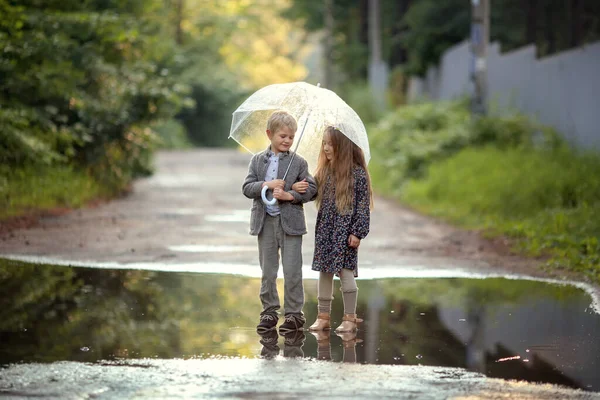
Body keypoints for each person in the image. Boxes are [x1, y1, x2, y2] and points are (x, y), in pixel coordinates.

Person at [242, 110, 317, 334]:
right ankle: (269, 311)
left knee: (293, 269)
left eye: (290, 137)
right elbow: (247, 188)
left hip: (291, 224)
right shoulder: (257, 161)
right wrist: (267, 184)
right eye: (282, 136)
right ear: (269, 134)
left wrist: (291, 194)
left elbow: (312, 189)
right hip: (265, 223)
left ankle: (294, 314)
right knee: (268, 269)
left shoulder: (299, 162)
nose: (286, 140)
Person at [307, 126, 373, 334]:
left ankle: (350, 317)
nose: (326, 148)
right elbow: (311, 192)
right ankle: (323, 316)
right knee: (324, 271)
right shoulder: (324, 171)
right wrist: (299, 187)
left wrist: (357, 232)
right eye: (324, 143)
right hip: (326, 230)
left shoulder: (358, 174)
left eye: (330, 144)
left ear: (342, 146)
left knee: (345, 271)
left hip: (345, 232)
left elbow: (363, 207)